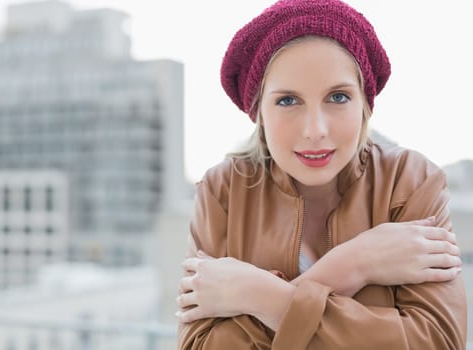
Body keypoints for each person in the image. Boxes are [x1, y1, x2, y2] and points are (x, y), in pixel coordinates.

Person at [175, 0, 468, 349]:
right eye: (287, 101)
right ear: (259, 112)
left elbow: (437, 341)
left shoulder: (409, 181)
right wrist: (353, 266)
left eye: (338, 96)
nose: (315, 130)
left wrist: (256, 295)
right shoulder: (223, 190)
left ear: (365, 104)